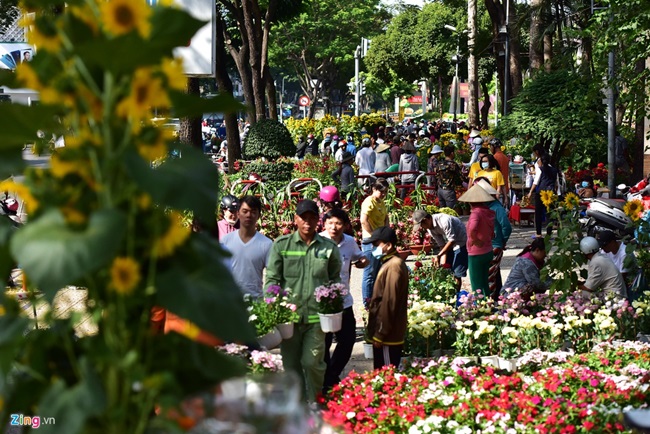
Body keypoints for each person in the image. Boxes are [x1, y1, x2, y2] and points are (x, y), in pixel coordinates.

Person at [265, 199, 342, 402]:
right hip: (288, 319)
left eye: (312, 217)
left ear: (318, 220)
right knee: (291, 366)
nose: (308, 222)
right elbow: (272, 279)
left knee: (312, 362)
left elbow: (335, 279)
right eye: (303, 217)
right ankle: (297, 405)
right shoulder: (282, 245)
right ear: (295, 219)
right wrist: (272, 303)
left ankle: (315, 401)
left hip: (316, 318)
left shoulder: (328, 248)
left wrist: (334, 303)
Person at [320, 209, 368, 393]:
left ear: (346, 225)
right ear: (324, 224)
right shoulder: (317, 242)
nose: (334, 227)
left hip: (344, 301)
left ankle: (331, 375)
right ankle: (327, 380)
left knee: (347, 340)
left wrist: (363, 261)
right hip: (322, 302)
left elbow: (359, 257)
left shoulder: (349, 242)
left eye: (338, 223)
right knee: (323, 343)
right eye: (330, 223)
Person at [364, 226, 409, 369]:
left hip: (388, 337)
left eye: (376, 245)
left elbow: (389, 301)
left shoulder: (394, 266)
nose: (373, 248)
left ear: (388, 245)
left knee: (386, 374)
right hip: (386, 335)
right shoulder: (389, 263)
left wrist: (380, 333)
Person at [221, 195, 273, 299]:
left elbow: (273, 276)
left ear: (258, 216)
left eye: (253, 212)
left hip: (255, 303)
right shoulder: (225, 241)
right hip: (230, 300)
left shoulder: (266, 244)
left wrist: (270, 299)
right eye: (245, 211)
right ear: (238, 213)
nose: (249, 215)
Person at [412, 209, 468, 292]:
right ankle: (449, 295)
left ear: (426, 220)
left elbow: (452, 240)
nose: (422, 228)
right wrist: (441, 265)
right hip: (450, 244)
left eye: (421, 225)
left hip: (462, 242)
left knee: (457, 272)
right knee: (446, 270)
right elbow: (442, 245)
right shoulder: (430, 228)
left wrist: (439, 255)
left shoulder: (444, 220)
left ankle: (456, 294)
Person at [475, 179, 512, 300]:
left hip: (494, 245)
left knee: (490, 276)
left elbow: (506, 227)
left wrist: (502, 241)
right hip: (485, 246)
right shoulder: (483, 207)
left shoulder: (496, 207)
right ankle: (498, 298)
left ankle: (491, 301)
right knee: (494, 274)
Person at [459, 185, 495, 295]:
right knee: (484, 282)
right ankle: (487, 302)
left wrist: (474, 239)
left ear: (470, 202)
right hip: (488, 250)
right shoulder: (488, 212)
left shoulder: (476, 213)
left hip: (476, 252)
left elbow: (472, 228)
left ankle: (479, 304)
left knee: (476, 285)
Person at [360, 179, 390, 307]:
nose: (383, 194)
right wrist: (374, 236)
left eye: (385, 192)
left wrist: (386, 234)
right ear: (374, 189)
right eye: (381, 191)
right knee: (369, 273)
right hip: (370, 241)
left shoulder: (381, 202)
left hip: (380, 241)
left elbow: (386, 218)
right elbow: (364, 220)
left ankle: (376, 301)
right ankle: (367, 303)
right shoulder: (368, 201)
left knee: (378, 272)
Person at [527, 146, 558, 237]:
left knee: (538, 213)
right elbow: (556, 183)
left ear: (541, 161)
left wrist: (530, 192)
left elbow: (536, 181)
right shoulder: (554, 170)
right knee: (549, 214)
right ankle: (549, 233)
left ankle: (538, 233)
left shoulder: (540, 170)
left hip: (541, 193)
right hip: (550, 193)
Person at [489, 138, 510, 203]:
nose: (490, 149)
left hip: (497, 190)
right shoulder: (505, 157)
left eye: (490, 146)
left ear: (494, 147)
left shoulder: (495, 158)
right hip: (505, 189)